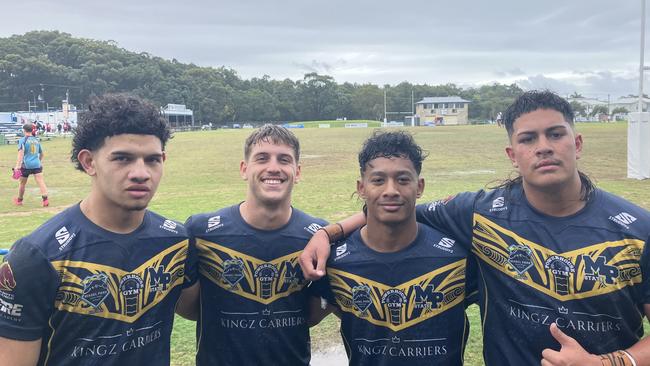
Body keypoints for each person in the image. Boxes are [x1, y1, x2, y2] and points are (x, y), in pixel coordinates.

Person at [300, 90, 650, 366]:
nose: (543, 147)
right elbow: (398, 208)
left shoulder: (635, 229)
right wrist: (327, 233)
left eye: (555, 134)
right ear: (513, 154)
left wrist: (612, 362)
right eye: (529, 139)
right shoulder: (480, 214)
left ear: (576, 143)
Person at [0, 94, 195, 366]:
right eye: (123, 158)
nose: (141, 173)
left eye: (152, 160)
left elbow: (198, 310)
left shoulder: (176, 242)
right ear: (89, 162)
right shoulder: (36, 257)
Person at [311, 130, 475, 365]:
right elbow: (308, 317)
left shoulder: (458, 258)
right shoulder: (336, 263)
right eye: (378, 180)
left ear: (419, 187)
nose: (391, 190)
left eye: (403, 179)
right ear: (361, 187)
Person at [177, 124, 327, 365]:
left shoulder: (318, 236)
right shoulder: (201, 231)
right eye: (262, 158)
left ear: (297, 172)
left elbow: (311, 314)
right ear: (244, 169)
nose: (273, 168)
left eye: (284, 159)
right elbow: (190, 309)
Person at [13, 122, 49, 207]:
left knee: (22, 183)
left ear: (24, 130)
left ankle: (19, 200)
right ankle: (45, 200)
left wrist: (17, 166)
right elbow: (42, 154)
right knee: (41, 182)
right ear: (32, 130)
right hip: (37, 164)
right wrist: (38, 161)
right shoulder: (36, 140)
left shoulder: (22, 140)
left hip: (26, 165)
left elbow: (21, 154)